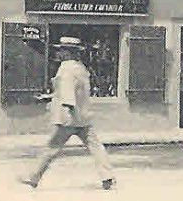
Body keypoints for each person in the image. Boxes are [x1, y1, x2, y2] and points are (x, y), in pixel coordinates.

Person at [22, 36, 116, 190]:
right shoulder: (81, 68)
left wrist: (68, 108)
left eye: (62, 50)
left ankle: (33, 177)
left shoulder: (65, 68)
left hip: (68, 117)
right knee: (96, 146)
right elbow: (76, 90)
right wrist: (50, 97)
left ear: (68, 53)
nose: (59, 53)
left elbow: (67, 91)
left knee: (51, 147)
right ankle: (107, 176)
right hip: (83, 116)